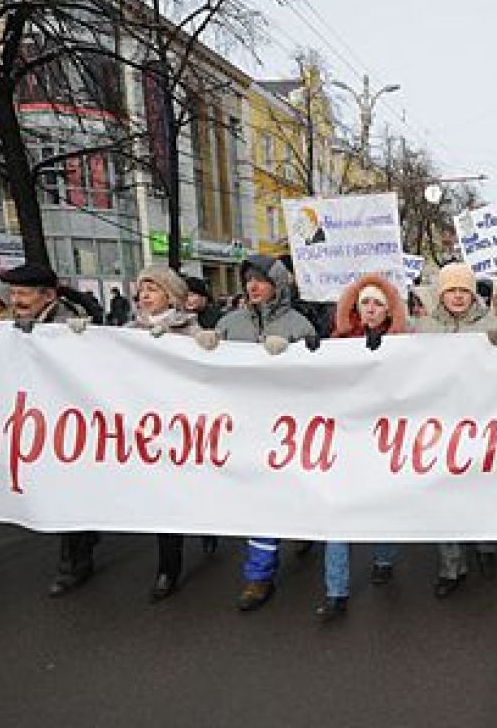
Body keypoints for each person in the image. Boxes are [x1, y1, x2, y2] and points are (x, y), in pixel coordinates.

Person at [217, 255, 318, 612]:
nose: (253, 286)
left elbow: (318, 380)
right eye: (248, 280)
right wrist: (202, 345)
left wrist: (296, 355)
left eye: (261, 280)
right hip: (244, 429)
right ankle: (259, 576)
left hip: (288, 431)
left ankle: (306, 529)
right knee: (261, 504)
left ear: (277, 285)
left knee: (294, 492)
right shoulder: (228, 324)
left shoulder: (299, 325)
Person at [117, 264, 222, 602]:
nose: (145, 295)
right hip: (146, 429)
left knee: (191, 491)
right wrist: (81, 337)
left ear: (171, 296)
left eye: (153, 289)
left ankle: (207, 528)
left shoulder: (189, 330)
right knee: (163, 499)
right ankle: (168, 569)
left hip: (183, 428)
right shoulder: (127, 333)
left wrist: (208, 346)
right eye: (142, 289)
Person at [0, 263, 102, 597]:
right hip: (31, 422)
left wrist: (80, 340)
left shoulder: (70, 327)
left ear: (47, 296)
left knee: (66, 493)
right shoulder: (7, 325)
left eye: (24, 293)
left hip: (68, 426)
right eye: (13, 293)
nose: (17, 300)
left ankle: (74, 564)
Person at [314, 273, 410, 619]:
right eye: (364, 302)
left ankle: (384, 558)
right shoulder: (337, 343)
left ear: (388, 310)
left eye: (378, 304)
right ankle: (336, 591)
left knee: (382, 504)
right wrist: (311, 352)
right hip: (344, 438)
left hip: (385, 439)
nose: (370, 309)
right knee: (337, 512)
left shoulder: (407, 345)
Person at [414, 262, 497, 597]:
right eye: (450, 290)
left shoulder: (491, 325)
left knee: (482, 491)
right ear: (441, 294)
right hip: (440, 427)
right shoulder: (424, 327)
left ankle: (486, 547)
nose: (457, 296)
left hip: (481, 424)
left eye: (463, 290)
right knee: (443, 498)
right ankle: (451, 567)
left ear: (472, 294)